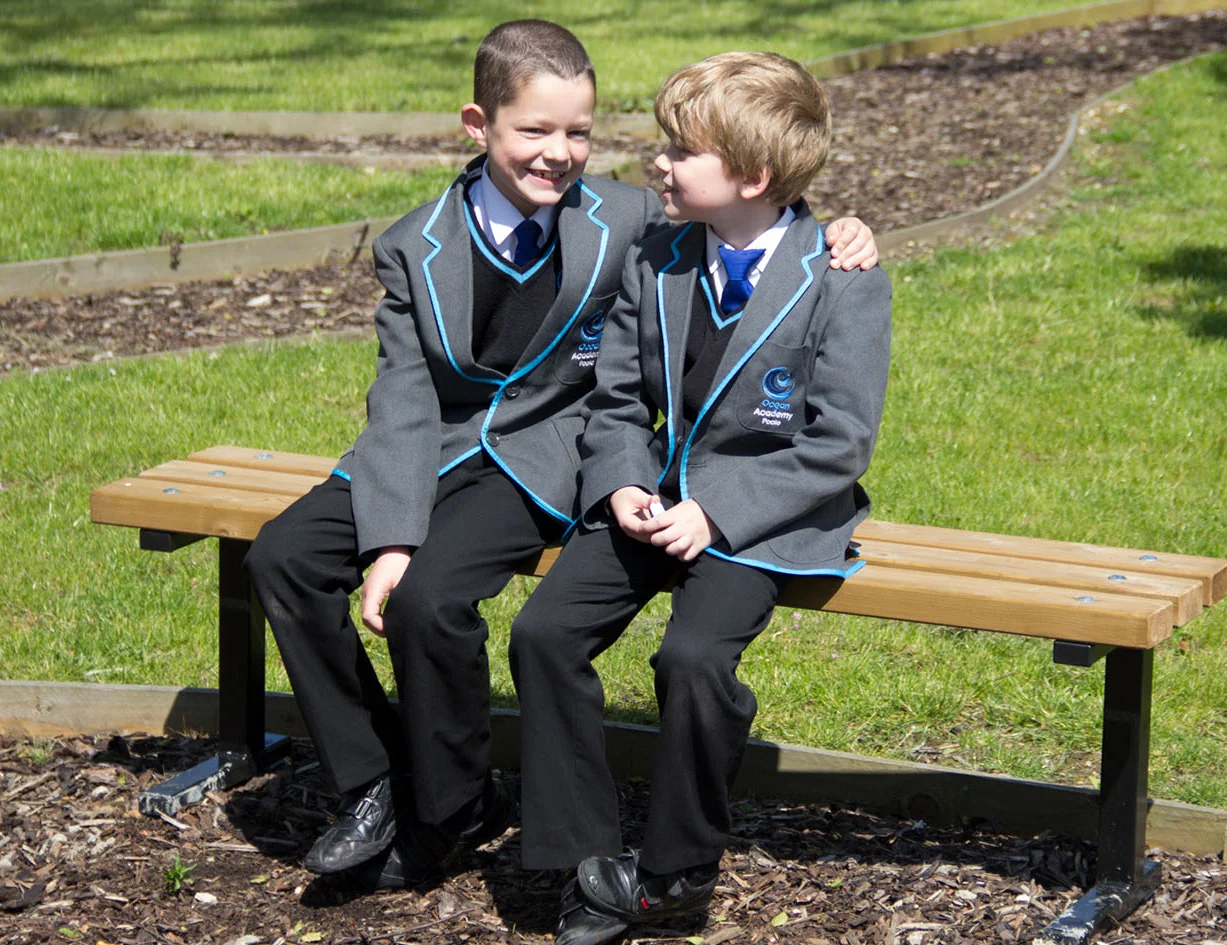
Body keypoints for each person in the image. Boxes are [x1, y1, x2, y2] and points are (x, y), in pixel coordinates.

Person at [242, 22, 880, 891]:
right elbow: (402, 395)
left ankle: (453, 806)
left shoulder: (630, 216)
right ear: (478, 125)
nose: (559, 153)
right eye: (534, 131)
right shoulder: (413, 242)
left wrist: (846, 227)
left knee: (433, 601)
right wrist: (389, 532)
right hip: (431, 446)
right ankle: (373, 781)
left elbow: (764, 222)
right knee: (280, 554)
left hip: (542, 454)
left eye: (578, 132)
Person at [507, 51, 893, 945]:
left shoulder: (842, 277)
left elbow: (838, 443)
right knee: (542, 633)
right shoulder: (660, 254)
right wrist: (624, 483)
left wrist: (714, 511)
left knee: (690, 662)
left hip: (763, 518)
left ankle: (677, 871)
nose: (660, 164)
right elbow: (613, 401)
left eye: (681, 152)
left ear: (752, 175)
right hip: (654, 500)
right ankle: (587, 860)